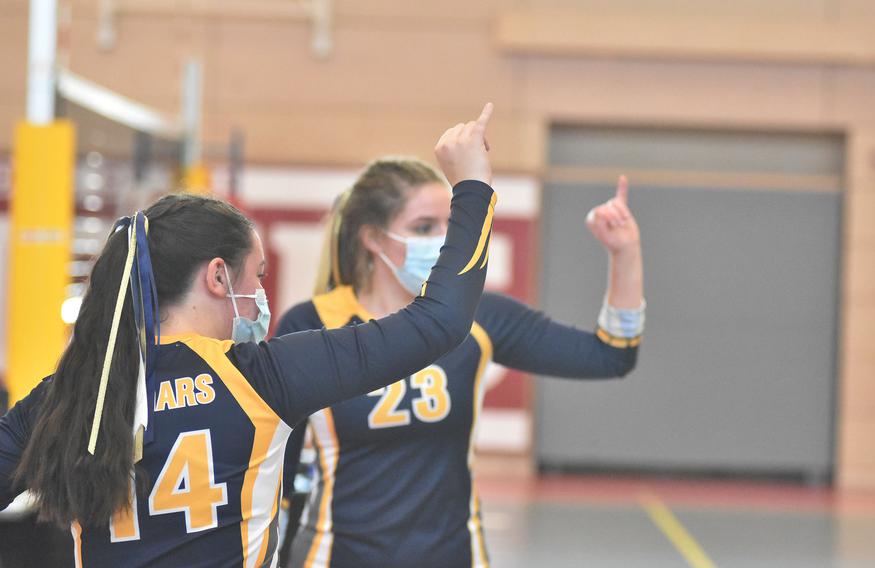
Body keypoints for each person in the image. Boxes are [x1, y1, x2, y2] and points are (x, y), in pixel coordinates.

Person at [0, 104, 498, 568]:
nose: (261, 294)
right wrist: (472, 185)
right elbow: (440, 321)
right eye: (256, 276)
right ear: (218, 277)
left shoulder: (71, 393)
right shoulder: (263, 376)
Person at [278, 156, 645, 567]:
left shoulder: (478, 317)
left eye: (448, 226)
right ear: (373, 238)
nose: (440, 239)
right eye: (422, 227)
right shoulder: (311, 323)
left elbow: (611, 355)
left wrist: (624, 255)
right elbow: (277, 471)